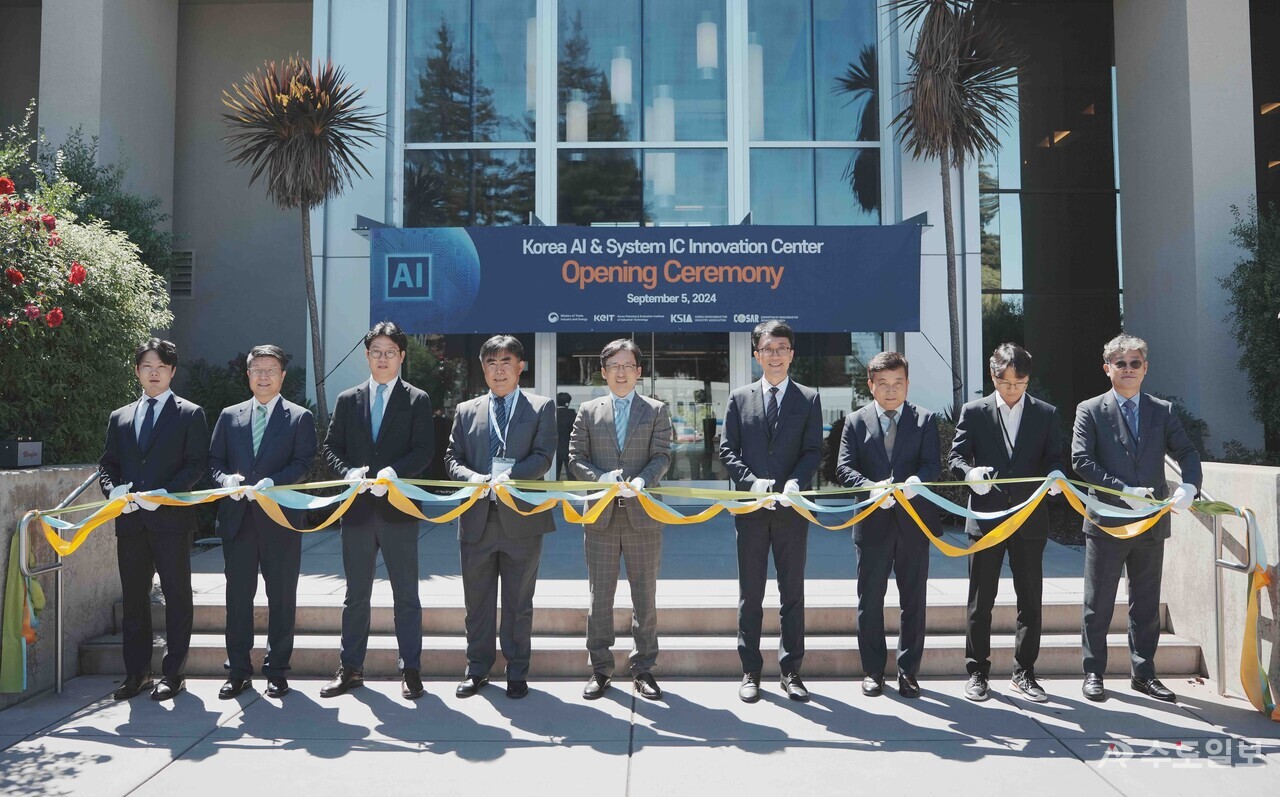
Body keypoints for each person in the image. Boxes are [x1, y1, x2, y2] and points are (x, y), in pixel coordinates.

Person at [1072, 333, 1201, 703]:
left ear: (1145, 368)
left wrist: (1189, 486)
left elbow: (1187, 452)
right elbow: (1082, 460)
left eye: (1134, 363)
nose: (1128, 369)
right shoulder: (1090, 409)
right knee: (1098, 602)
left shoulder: (1163, 410)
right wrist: (1124, 491)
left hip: (1150, 522)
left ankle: (1144, 673)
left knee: (1145, 602)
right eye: (1120, 363)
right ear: (1107, 368)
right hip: (1108, 519)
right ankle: (1094, 672)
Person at [320, 322, 434, 700]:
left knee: (406, 595)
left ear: (402, 356)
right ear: (366, 356)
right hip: (357, 511)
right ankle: (351, 668)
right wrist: (348, 472)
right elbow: (331, 448)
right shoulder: (347, 399)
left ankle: (411, 669)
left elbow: (424, 451)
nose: (382, 358)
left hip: (398, 509)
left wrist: (396, 472)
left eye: (390, 352)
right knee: (356, 595)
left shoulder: (418, 399)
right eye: (376, 352)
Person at [948, 343, 1063, 703]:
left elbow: (1055, 458)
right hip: (986, 519)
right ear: (992, 375)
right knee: (980, 601)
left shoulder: (1046, 413)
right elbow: (955, 457)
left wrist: (1056, 478)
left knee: (1030, 600)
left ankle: (1024, 672)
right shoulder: (975, 411)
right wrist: (970, 473)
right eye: (1004, 382)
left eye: (1019, 382)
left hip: (1030, 518)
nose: (1011, 389)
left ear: (1029, 379)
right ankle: (978, 672)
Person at [446, 335, 556, 700]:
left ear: (520, 366)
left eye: (506, 361)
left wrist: (512, 477)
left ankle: (516, 670)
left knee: (518, 602)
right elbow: (451, 460)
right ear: (483, 368)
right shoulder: (466, 410)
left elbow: (543, 457)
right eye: (491, 363)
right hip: (476, 519)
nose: (498, 370)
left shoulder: (541, 407)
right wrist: (473, 479)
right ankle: (476, 668)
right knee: (476, 602)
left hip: (521, 520)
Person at [98, 338, 209, 701]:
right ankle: (137, 673)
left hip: (172, 521)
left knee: (177, 597)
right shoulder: (120, 416)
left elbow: (196, 465)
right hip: (130, 522)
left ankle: (174, 673)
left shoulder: (191, 413)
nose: (154, 372)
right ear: (137, 371)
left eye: (161, 366)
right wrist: (113, 491)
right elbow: (108, 465)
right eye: (147, 366)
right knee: (133, 599)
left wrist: (164, 495)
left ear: (173, 370)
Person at [719, 320, 822, 703]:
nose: (775, 355)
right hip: (752, 510)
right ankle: (750, 671)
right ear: (756, 354)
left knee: (792, 592)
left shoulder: (809, 398)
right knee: (751, 593)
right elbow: (727, 449)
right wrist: (751, 482)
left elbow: (813, 449)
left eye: (782, 348)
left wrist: (795, 481)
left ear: (792, 354)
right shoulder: (739, 397)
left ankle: (792, 670)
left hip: (792, 512)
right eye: (768, 348)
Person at [207, 345, 317, 700]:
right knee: (238, 596)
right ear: (248, 375)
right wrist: (225, 480)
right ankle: (238, 670)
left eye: (271, 369)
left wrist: (276, 482)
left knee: (281, 596)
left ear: (283, 376)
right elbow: (213, 461)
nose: (264, 375)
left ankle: (277, 670)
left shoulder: (299, 417)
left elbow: (304, 462)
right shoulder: (229, 416)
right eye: (257, 369)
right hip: (238, 519)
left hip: (280, 519)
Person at [568, 339, 673, 701]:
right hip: (600, 518)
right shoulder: (588, 410)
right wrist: (600, 478)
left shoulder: (657, 410)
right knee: (600, 598)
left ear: (639, 371)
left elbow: (662, 455)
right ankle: (600, 668)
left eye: (628, 365)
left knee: (645, 598)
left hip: (644, 516)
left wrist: (644, 480)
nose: (622, 372)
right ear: (603, 371)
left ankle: (644, 669)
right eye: (614, 365)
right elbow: (574, 458)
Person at [836, 351, 941, 699]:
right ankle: (873, 671)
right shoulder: (854, 421)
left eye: (898, 383)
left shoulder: (925, 420)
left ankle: (908, 671)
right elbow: (843, 469)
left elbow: (932, 466)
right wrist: (871, 488)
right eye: (883, 384)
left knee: (913, 600)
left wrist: (916, 482)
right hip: (872, 524)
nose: (891, 391)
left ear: (907, 384)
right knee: (870, 600)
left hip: (914, 524)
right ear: (871, 385)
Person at [556, 392, 575, 480]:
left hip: (555, 448)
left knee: (554, 474)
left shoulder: (553, 414)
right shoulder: (572, 414)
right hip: (569, 447)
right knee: (572, 474)